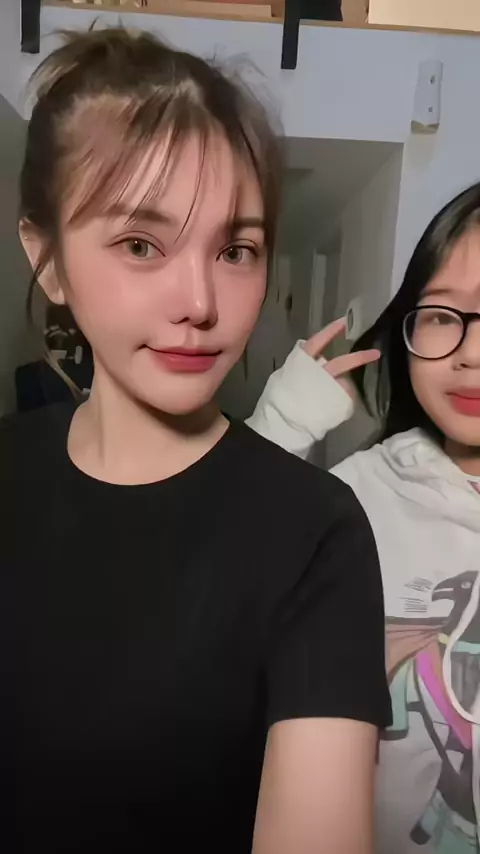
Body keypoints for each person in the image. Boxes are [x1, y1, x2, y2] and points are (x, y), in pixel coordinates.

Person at [1, 26, 390, 854]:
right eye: (141, 244)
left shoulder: (316, 532)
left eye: (236, 249)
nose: (202, 303)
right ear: (49, 258)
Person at [249, 182, 480, 854]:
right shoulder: (355, 497)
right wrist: (274, 435)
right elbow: (207, 605)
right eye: (442, 314)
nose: (470, 352)